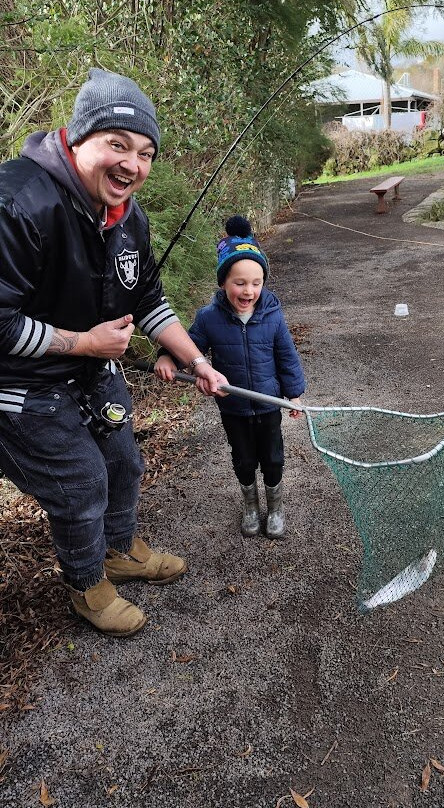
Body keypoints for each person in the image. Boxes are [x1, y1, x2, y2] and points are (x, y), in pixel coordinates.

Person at [0, 69, 229, 637]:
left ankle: (119, 549)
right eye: (117, 144)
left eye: (145, 153)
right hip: (20, 386)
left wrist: (198, 362)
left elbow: (148, 299)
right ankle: (86, 584)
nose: (132, 165)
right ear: (79, 138)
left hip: (91, 374)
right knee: (82, 483)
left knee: (124, 462)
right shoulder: (17, 202)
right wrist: (85, 343)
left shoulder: (128, 217)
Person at [155, 215, 305, 540]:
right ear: (224, 282)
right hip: (233, 406)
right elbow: (190, 346)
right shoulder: (209, 318)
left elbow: (287, 356)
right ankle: (250, 505)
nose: (248, 290)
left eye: (256, 283)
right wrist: (167, 356)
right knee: (243, 459)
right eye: (240, 283)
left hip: (268, 404)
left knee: (273, 458)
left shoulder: (273, 316)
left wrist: (293, 393)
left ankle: (275, 507)